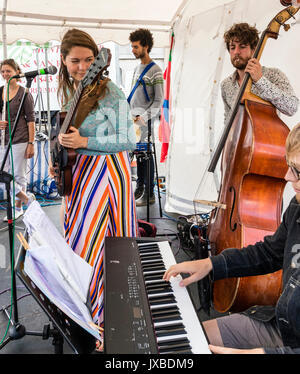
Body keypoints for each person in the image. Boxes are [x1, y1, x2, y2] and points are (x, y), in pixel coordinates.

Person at [164, 122, 300, 354]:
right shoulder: (297, 207)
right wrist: (210, 264)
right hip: (282, 327)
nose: (287, 177)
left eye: (297, 170)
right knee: (181, 341)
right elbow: (269, 253)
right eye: (289, 165)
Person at [51, 28, 138, 331]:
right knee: (81, 243)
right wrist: (60, 161)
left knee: (96, 244)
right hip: (84, 171)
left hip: (109, 171)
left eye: (89, 60)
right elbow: (69, 135)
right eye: (75, 60)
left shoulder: (109, 90)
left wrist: (83, 143)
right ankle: (87, 310)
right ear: (63, 60)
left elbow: (129, 139)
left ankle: (106, 317)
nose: (83, 67)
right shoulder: (72, 89)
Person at [221, 22, 299, 123]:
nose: (236, 52)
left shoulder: (273, 74)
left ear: (254, 49)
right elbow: (228, 120)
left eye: (242, 46)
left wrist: (260, 80)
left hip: (266, 137)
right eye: (232, 47)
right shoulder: (225, 85)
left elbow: (292, 107)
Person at [128, 28, 164, 206]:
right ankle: (140, 188)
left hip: (144, 122)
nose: (132, 50)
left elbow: (159, 100)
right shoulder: (137, 68)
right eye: (132, 47)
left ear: (146, 46)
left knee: (146, 156)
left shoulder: (155, 70)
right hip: (133, 122)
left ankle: (149, 194)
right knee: (138, 155)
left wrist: (144, 117)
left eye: (135, 47)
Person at [0, 59, 36, 221]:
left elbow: (31, 120)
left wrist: (31, 143)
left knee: (19, 175)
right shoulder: (0, 91)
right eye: (3, 71)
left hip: (20, 139)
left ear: (16, 72)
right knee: (3, 176)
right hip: (2, 140)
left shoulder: (24, 93)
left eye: (8, 71)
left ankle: (18, 207)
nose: (5, 74)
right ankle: (27, 199)